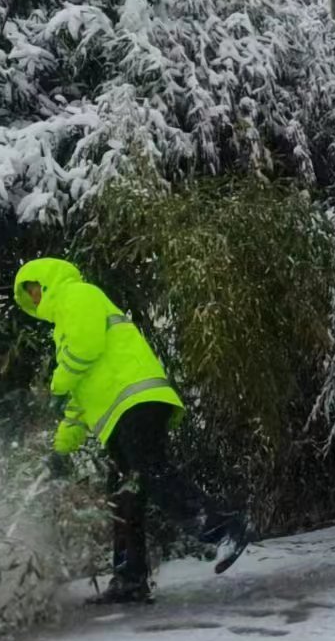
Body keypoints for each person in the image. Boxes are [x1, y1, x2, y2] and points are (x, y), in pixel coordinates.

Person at [14, 258, 249, 604]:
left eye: (33, 289)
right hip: (120, 413)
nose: (33, 298)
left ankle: (224, 527)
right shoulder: (62, 325)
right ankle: (130, 578)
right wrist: (62, 445)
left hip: (137, 399)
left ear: (45, 280)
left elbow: (86, 347)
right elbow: (81, 393)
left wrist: (57, 381)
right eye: (27, 296)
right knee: (124, 497)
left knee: (151, 472)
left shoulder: (76, 295)